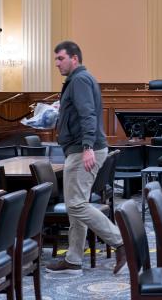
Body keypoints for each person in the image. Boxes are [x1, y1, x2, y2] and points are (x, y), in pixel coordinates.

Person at [46, 40, 126, 275]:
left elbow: (87, 114)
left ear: (74, 58)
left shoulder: (79, 79)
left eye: (61, 59)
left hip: (83, 150)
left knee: (77, 205)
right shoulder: (80, 79)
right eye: (56, 60)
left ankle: (122, 243)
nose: (57, 64)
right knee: (75, 206)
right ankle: (73, 260)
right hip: (81, 148)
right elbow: (79, 111)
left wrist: (88, 146)